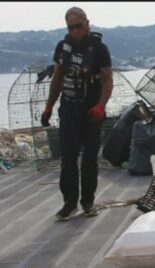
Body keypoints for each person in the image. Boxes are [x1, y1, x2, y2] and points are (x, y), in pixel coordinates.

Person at [40, 7, 113, 221]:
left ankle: (88, 202)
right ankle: (69, 203)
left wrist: (101, 105)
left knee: (89, 158)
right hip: (69, 109)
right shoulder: (62, 48)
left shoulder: (99, 49)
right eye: (71, 28)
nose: (75, 31)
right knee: (68, 158)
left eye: (78, 26)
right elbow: (57, 78)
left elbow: (108, 80)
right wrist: (48, 107)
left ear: (87, 23)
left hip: (91, 111)